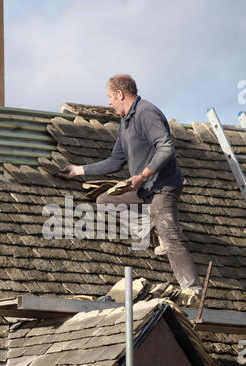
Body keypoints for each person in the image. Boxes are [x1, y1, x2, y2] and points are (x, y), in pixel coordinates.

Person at [59, 74, 202, 297]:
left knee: (170, 235)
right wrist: (79, 170)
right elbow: (115, 161)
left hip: (162, 187)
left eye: (110, 97)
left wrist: (142, 176)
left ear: (120, 94)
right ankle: (150, 226)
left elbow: (166, 147)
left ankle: (192, 290)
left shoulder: (147, 112)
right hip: (143, 188)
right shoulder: (125, 124)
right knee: (105, 200)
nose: (108, 102)